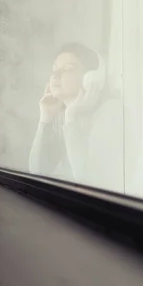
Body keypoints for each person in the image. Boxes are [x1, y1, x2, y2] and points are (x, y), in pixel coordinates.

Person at [28, 43, 123, 192]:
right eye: (54, 69)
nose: (55, 75)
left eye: (68, 69)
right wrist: (45, 118)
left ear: (90, 78)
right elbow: (37, 170)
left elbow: (88, 180)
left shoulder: (110, 110)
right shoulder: (60, 114)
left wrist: (71, 116)